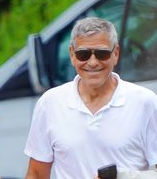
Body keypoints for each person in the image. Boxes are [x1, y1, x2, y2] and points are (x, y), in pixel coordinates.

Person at [24, 17, 157, 178]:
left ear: (115, 54)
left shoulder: (145, 103)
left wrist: (126, 176)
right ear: (72, 55)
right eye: (83, 54)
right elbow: (36, 174)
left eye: (102, 54)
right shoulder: (50, 103)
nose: (93, 62)